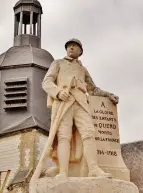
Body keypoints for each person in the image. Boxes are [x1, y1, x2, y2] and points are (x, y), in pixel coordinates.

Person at [42, 38, 119, 179]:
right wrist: (58, 92)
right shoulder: (57, 63)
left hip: (81, 103)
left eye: (74, 46)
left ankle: (94, 169)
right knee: (64, 136)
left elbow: (93, 89)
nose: (71, 48)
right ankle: (63, 172)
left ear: (80, 51)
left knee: (89, 133)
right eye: (69, 46)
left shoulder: (82, 69)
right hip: (64, 102)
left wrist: (108, 95)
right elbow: (47, 82)